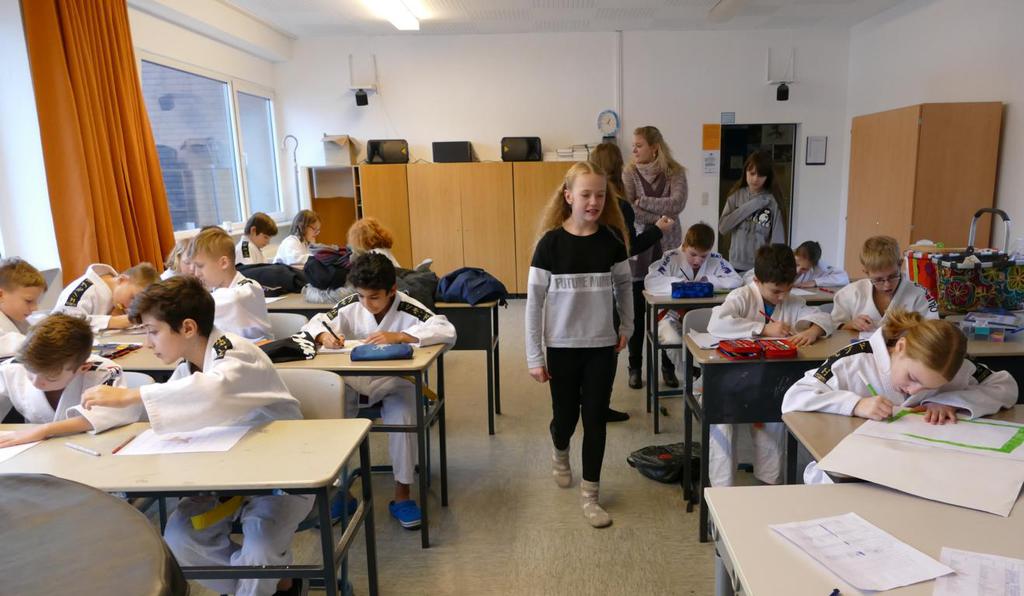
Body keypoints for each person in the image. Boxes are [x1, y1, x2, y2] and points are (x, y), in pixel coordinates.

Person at [80, 276, 311, 596]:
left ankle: (268, 582)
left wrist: (132, 395)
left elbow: (213, 392)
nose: (148, 343)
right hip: (223, 479)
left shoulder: (236, 354)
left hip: (281, 478)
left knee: (260, 548)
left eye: (153, 331)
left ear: (188, 328)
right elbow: (173, 406)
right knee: (179, 539)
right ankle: (281, 584)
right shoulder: (187, 368)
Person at [303, 252, 456, 531]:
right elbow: (316, 323)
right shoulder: (351, 304)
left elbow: (446, 330)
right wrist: (325, 336)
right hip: (354, 384)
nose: (366, 303)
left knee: (404, 416)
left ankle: (402, 495)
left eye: (374, 297)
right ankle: (340, 493)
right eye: (362, 296)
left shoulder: (409, 308)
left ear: (392, 290)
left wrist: (403, 336)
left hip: (396, 382)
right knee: (330, 418)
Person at [783, 310, 1016, 483]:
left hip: (920, 470)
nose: (914, 391)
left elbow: (1005, 385)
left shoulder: (955, 367)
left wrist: (949, 401)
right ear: (901, 347)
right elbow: (795, 396)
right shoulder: (855, 361)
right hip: (851, 471)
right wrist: (856, 404)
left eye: (929, 388)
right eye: (912, 378)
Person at [526, 161, 632, 528]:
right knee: (566, 418)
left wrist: (628, 325)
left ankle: (590, 496)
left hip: (602, 346)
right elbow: (533, 304)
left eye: (600, 195)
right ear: (568, 196)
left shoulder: (612, 241)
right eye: (586, 194)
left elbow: (625, 286)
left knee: (595, 419)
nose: (594, 202)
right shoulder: (550, 244)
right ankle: (560, 449)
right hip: (562, 347)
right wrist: (534, 355)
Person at [706, 244, 834, 487]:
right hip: (730, 381)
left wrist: (814, 330)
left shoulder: (792, 300)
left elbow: (823, 316)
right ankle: (721, 488)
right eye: (776, 291)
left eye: (787, 290)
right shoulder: (741, 297)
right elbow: (717, 324)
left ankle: (769, 481)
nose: (782, 297)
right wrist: (763, 329)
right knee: (722, 423)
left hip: (769, 382)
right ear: (757, 280)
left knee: (774, 417)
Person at [590, 142, 674, 420]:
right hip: (610, 284)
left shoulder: (585, 203)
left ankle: (590, 405)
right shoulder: (618, 205)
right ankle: (598, 407)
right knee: (608, 348)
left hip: (587, 285)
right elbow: (628, 247)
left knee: (593, 347)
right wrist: (657, 230)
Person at [0, 314, 139, 448]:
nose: (36, 382)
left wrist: (45, 430)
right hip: (33, 451)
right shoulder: (13, 367)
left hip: (93, 447)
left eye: (51, 378)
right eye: (30, 373)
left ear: (83, 368)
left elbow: (114, 413)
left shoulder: (104, 372)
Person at [622, 126, 687, 390]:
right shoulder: (629, 172)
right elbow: (630, 210)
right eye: (634, 145)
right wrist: (660, 220)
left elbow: (677, 204)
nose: (634, 150)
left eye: (639, 145)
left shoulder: (675, 172)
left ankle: (668, 367)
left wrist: (644, 201)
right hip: (640, 250)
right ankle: (635, 367)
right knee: (636, 314)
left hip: (669, 250)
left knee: (668, 314)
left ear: (654, 148)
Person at [645, 223, 743, 376]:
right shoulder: (671, 257)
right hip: (671, 314)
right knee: (671, 339)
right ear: (685, 246)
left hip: (704, 314)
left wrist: (708, 281)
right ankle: (688, 374)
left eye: (703, 256)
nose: (698, 261)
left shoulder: (715, 259)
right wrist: (681, 285)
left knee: (721, 336)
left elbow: (736, 280)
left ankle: (710, 374)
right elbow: (651, 281)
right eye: (693, 254)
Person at [831, 235, 937, 333]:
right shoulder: (849, 294)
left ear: (900, 264)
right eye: (878, 280)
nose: (887, 285)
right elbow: (833, 327)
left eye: (893, 276)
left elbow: (933, 331)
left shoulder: (921, 294)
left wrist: (913, 329)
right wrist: (850, 325)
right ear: (866, 272)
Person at [189, 227, 272, 341]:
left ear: (223, 263)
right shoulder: (215, 291)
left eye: (200, 266)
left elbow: (232, 298)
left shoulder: (249, 288)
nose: (197, 273)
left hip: (260, 349)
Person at [718, 151, 786, 272]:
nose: (755, 179)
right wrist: (754, 204)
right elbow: (723, 228)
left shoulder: (773, 202)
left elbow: (778, 240)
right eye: (752, 173)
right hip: (735, 264)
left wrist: (774, 266)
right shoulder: (736, 196)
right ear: (745, 171)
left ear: (767, 177)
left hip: (761, 266)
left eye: (761, 175)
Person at [54, 262, 159, 331]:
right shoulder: (84, 288)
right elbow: (63, 322)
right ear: (122, 280)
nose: (130, 305)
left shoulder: (114, 294)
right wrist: (113, 322)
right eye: (132, 297)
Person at [0, 257, 46, 357]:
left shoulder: (21, 320)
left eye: (36, 301)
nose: (35, 308)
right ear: (1, 295)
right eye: (29, 301)